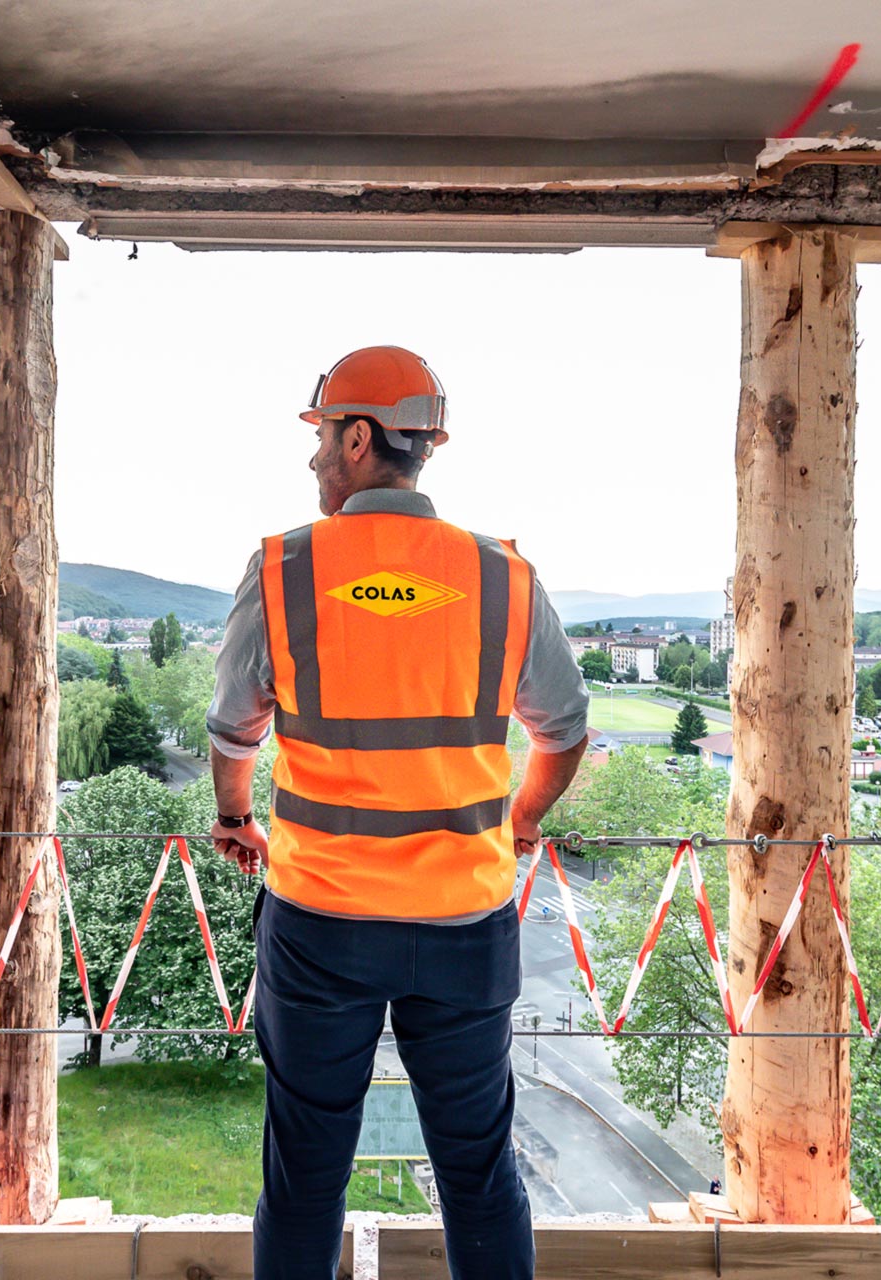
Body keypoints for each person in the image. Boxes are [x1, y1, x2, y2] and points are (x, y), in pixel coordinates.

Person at [206, 346, 589, 1280]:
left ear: (362, 436)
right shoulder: (501, 576)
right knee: (477, 1169)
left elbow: (232, 730)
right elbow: (565, 728)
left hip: (322, 924)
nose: (313, 460)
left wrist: (234, 818)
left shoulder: (287, 567)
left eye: (322, 437)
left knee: (304, 1176)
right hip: (463, 925)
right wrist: (521, 822)